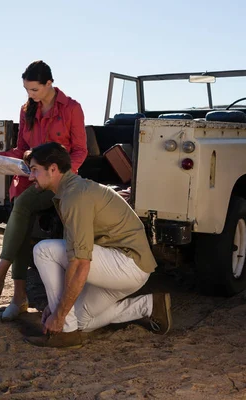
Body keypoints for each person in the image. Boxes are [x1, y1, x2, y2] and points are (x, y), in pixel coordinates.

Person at [22, 142, 171, 348]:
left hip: (127, 264)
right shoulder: (71, 191)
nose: (31, 177)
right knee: (81, 321)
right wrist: (56, 309)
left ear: (53, 169)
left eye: (35, 170)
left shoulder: (75, 196)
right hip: (123, 267)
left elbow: (80, 263)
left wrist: (59, 315)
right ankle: (148, 306)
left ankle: (64, 333)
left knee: (44, 250)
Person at [0, 60, 88, 322]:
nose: (30, 95)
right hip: (31, 176)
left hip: (59, 178)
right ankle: (17, 297)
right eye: (27, 90)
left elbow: (80, 150)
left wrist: (61, 174)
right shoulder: (27, 110)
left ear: (50, 83)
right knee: (21, 214)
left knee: (22, 205)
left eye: (35, 90)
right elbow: (21, 149)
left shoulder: (71, 108)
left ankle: (1, 278)